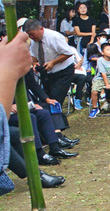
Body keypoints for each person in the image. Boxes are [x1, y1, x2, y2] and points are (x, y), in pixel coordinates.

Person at [2, 31, 67, 193]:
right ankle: (35, 174)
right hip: (9, 112)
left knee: (41, 113)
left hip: (17, 108)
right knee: (23, 123)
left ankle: (52, 148)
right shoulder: (7, 64)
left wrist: (44, 100)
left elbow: (33, 84)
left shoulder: (17, 62)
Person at [22, 19, 76, 131]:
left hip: (63, 71)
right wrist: (35, 62)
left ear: (40, 29)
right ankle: (61, 125)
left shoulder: (55, 37)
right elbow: (34, 55)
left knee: (55, 98)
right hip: (47, 72)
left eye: (32, 34)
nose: (31, 37)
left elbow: (67, 53)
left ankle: (57, 129)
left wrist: (53, 62)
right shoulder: (33, 41)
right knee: (48, 98)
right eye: (29, 35)